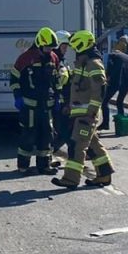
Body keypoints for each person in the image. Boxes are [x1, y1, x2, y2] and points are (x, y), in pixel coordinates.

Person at [51, 30, 113, 189]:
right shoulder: (84, 62)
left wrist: (91, 111)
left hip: (87, 114)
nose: (75, 49)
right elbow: (79, 88)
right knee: (93, 145)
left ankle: (71, 179)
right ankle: (104, 175)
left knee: (77, 145)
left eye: (76, 46)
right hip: (80, 112)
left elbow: (99, 89)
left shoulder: (93, 63)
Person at [10, 27, 62, 174]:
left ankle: (44, 165)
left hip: (47, 105)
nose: (49, 50)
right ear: (39, 44)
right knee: (28, 135)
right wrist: (17, 96)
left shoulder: (53, 58)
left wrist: (58, 96)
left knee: (47, 135)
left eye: (51, 47)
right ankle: (23, 167)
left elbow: (56, 79)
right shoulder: (25, 58)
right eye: (47, 47)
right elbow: (14, 78)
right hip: (30, 106)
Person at [101, 43, 128, 130]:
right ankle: (121, 122)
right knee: (119, 102)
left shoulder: (112, 56)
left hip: (115, 81)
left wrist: (106, 79)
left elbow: (108, 68)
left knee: (105, 101)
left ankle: (105, 124)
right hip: (127, 82)